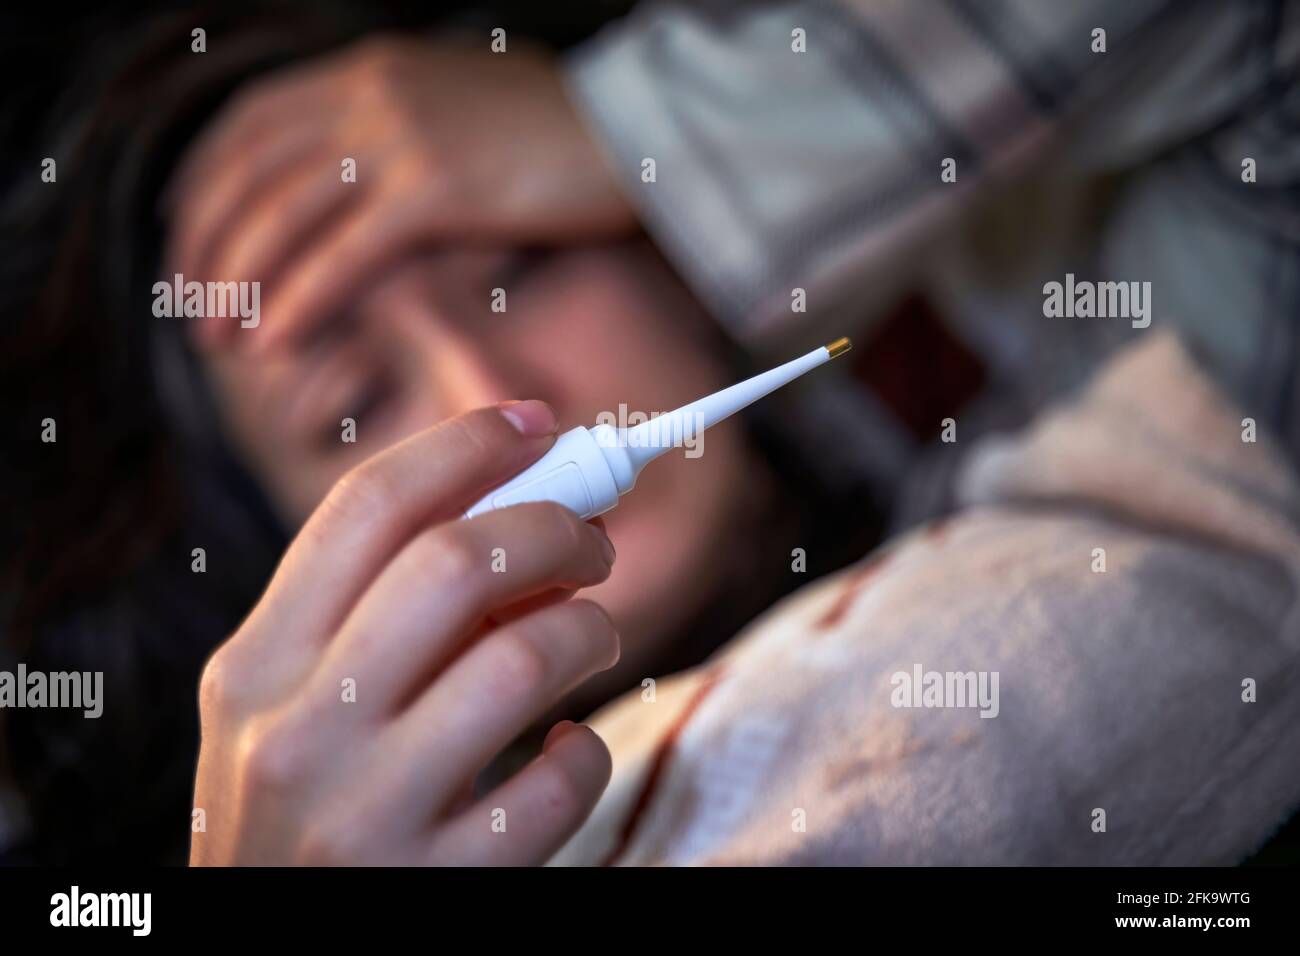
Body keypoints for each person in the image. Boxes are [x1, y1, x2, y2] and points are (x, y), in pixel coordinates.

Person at [4, 0, 1299, 864]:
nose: (490, 398)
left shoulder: (1114, 453)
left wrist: (660, 129)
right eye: (351, 409)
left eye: (520, 262)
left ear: (648, 237)